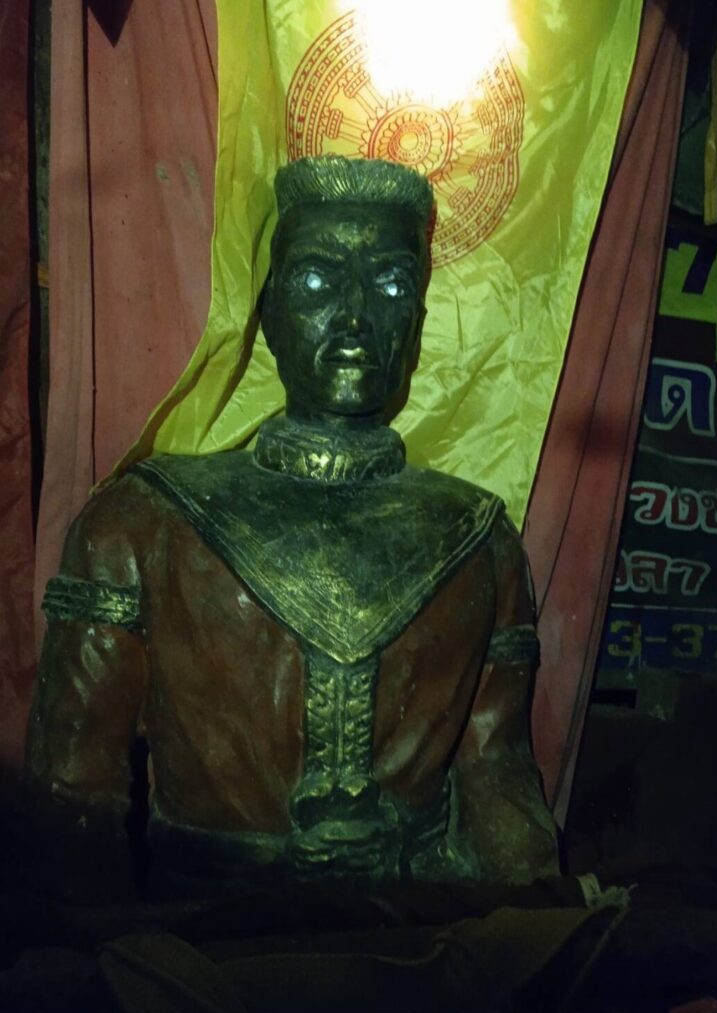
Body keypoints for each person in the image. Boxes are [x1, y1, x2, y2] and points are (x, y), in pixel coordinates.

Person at [25, 156, 558, 898]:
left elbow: (497, 773)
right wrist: (88, 946)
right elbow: (71, 795)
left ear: (417, 324)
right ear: (268, 312)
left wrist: (541, 922)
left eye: (391, 285)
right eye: (315, 279)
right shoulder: (142, 523)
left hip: (410, 932)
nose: (354, 316)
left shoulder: (479, 541)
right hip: (207, 935)